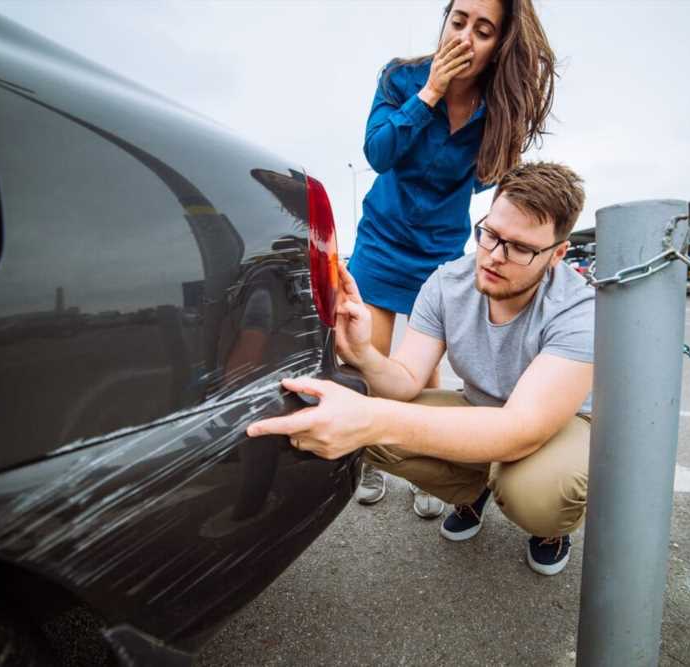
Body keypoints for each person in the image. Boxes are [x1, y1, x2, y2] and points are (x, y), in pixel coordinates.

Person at [248, 162, 592, 575]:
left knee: (537, 493)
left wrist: (373, 419)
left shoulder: (578, 307)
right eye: (491, 235)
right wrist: (362, 353)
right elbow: (406, 383)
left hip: (557, 425)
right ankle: (473, 491)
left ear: (557, 254)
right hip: (481, 409)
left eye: (520, 248)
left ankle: (549, 529)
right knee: (368, 421)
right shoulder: (448, 281)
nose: (495, 257)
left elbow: (521, 430)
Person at [348, 0, 557, 516]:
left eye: (482, 31)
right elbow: (379, 153)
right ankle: (369, 461)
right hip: (382, 238)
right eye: (458, 20)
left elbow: (487, 177)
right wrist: (431, 93)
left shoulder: (497, 108)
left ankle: (426, 461)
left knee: (423, 371)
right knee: (371, 360)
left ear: (497, 47)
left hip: (439, 250)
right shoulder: (400, 77)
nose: (464, 37)